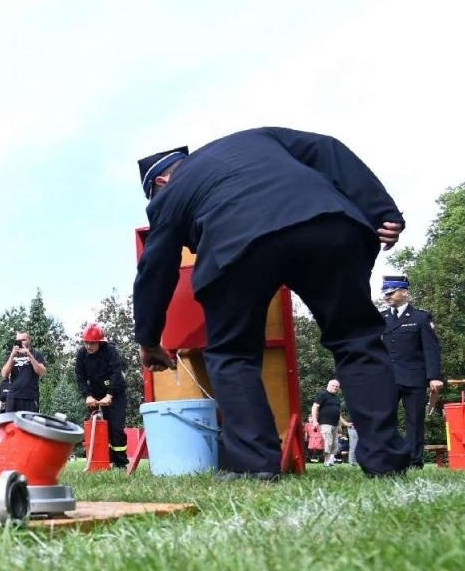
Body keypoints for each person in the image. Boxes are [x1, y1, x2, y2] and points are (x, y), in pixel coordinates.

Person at [133, 128, 411, 478]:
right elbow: (328, 148)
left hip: (236, 244)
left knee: (232, 353)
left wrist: (147, 338)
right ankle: (385, 459)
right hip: (326, 222)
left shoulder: (170, 193)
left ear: (161, 180)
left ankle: (254, 464)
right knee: (357, 340)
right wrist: (380, 209)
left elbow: (155, 269)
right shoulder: (255, 138)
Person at [379, 275, 444, 468]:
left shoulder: (421, 318)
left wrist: (434, 377)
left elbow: (431, 349)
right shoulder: (381, 318)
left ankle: (414, 461)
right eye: (385, 293)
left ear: (404, 292)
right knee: (384, 420)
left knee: (415, 422)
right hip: (387, 378)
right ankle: (388, 459)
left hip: (414, 378)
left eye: (391, 292)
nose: (387, 296)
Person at [73, 323, 129, 469]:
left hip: (116, 393)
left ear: (100, 342)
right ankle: (101, 461)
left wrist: (110, 394)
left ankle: (120, 463)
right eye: (86, 342)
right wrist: (87, 396)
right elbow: (80, 377)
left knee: (116, 428)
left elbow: (116, 374)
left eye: (92, 343)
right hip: (95, 395)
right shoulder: (81, 354)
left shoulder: (110, 351)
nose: (88, 346)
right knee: (96, 428)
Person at [0, 331, 46, 413]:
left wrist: (29, 355)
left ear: (29, 340)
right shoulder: (11, 355)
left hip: (30, 397)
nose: (21, 342)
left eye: (23, 340)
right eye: (18, 340)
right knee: (12, 424)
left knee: (29, 425)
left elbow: (41, 372)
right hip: (13, 396)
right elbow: (4, 374)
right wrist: (12, 356)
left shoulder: (36, 354)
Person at [311, 379, 345, 466]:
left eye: (337, 386)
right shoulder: (323, 395)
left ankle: (331, 460)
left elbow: (338, 412)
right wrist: (315, 420)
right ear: (328, 385)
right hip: (325, 423)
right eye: (333, 386)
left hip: (335, 424)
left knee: (334, 444)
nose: (335, 388)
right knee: (328, 442)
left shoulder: (336, 398)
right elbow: (315, 407)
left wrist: (340, 425)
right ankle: (326, 462)